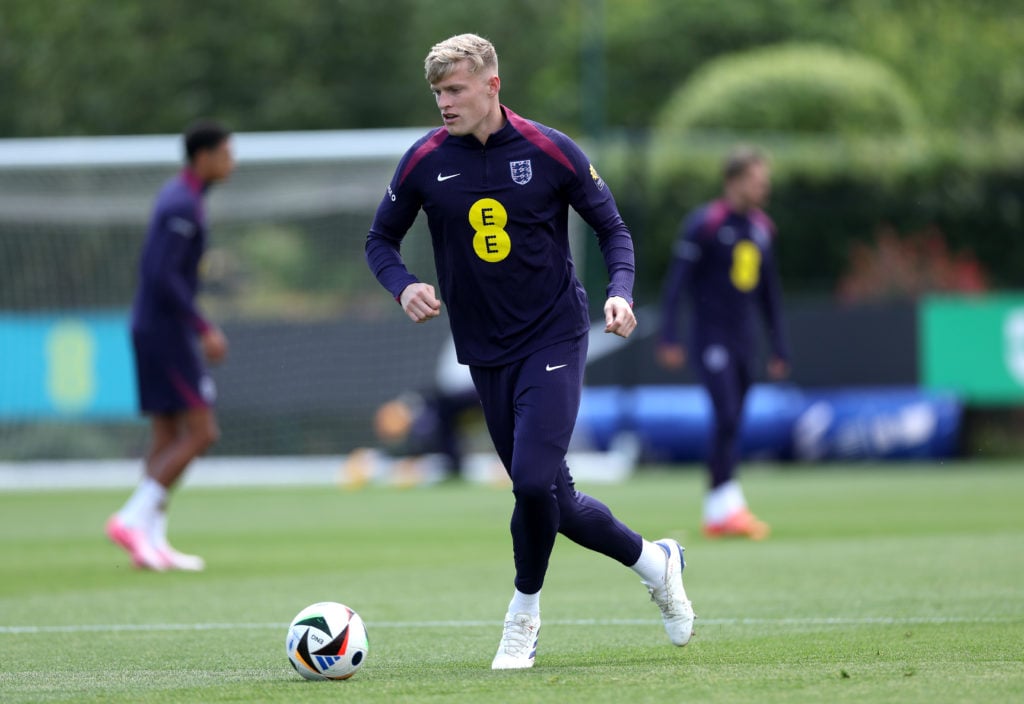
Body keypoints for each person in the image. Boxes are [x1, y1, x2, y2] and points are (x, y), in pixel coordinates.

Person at [365, 33, 694, 670]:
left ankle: (523, 617)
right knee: (553, 500)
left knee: (532, 482)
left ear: (492, 85)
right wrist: (403, 285)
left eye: (455, 89)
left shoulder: (549, 149)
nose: (444, 103)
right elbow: (380, 240)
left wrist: (619, 291)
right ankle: (658, 562)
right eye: (437, 92)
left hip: (553, 335)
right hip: (484, 350)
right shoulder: (424, 160)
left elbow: (612, 228)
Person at [106, 120, 235, 571]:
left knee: (167, 433)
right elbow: (162, 276)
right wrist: (203, 327)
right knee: (202, 432)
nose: (231, 162)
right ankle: (131, 517)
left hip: (151, 326)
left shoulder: (184, 197)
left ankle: (151, 542)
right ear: (204, 157)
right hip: (165, 329)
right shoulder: (181, 203)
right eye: (225, 153)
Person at [657, 146, 790, 540]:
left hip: (744, 338)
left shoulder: (763, 228)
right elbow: (677, 283)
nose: (763, 188)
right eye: (756, 180)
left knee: (732, 423)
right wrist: (669, 334)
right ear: (733, 181)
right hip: (710, 337)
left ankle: (722, 510)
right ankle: (723, 508)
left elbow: (770, 293)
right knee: (726, 415)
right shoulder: (706, 223)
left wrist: (779, 346)